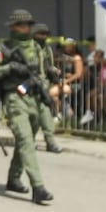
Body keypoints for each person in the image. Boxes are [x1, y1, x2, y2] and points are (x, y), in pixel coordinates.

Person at [0, 9, 53, 203]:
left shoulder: (36, 47)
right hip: (14, 98)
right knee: (25, 140)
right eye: (22, 25)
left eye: (28, 25)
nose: (26, 28)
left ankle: (13, 178)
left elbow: (42, 72)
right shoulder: (2, 48)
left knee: (25, 142)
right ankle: (38, 186)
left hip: (33, 98)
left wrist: (45, 89)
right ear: (13, 27)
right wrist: (9, 68)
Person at [30, 22, 63, 153]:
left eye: (45, 34)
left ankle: (50, 142)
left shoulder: (47, 49)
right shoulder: (30, 48)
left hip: (44, 87)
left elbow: (49, 65)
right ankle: (29, 141)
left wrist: (53, 72)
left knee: (45, 115)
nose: (43, 36)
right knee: (33, 117)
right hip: (31, 87)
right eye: (40, 34)